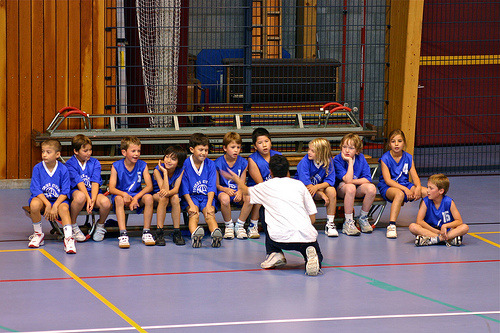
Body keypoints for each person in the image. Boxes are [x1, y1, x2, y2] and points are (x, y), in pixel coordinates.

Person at [222, 155, 322, 276]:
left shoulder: (266, 186)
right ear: (287, 171)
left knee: (263, 209)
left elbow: (246, 191)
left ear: (270, 171)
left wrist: (236, 179)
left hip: (280, 239)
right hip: (307, 237)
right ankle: (310, 256)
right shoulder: (300, 185)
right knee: (317, 254)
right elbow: (312, 217)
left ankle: (274, 252)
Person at [28, 139, 76, 254]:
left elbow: (65, 192)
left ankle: (69, 238)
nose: (44, 155)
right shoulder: (37, 168)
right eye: (43, 151)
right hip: (43, 200)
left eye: (48, 152)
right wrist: (48, 204)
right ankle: (38, 234)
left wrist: (55, 206)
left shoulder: (63, 169)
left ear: (57, 154)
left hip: (59, 200)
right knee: (34, 204)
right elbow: (36, 189)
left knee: (64, 209)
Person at [378, 129, 427, 239]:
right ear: (389, 144)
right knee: (399, 194)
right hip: (388, 187)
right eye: (393, 141)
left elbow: (414, 176)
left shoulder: (408, 157)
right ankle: (391, 225)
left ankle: (423, 221)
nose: (396, 144)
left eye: (399, 141)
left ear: (404, 143)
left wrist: (418, 187)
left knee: (426, 192)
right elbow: (388, 180)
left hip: (405, 184)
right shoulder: (385, 158)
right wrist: (405, 190)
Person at [108, 136, 154, 248]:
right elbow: (111, 188)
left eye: (138, 151)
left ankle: (146, 232)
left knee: (148, 198)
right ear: (124, 152)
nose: (136, 154)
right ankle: (123, 234)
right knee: (118, 199)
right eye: (133, 151)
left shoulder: (142, 165)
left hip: (136, 195)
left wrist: (136, 198)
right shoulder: (116, 166)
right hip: (121, 194)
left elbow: (149, 186)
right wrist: (124, 194)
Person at [66, 134, 112, 242]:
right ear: (76, 151)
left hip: (93, 193)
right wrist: (87, 198)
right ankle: (72, 225)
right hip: (77, 191)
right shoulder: (70, 164)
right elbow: (79, 182)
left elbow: (95, 182)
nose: (89, 153)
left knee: (106, 203)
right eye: (85, 150)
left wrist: (93, 199)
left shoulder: (95, 162)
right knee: (80, 197)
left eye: (90, 150)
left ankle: (100, 226)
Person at [180, 133, 222, 248]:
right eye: (201, 150)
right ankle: (195, 235)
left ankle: (215, 233)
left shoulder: (211, 164)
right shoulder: (185, 164)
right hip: (191, 197)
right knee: (194, 214)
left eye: (206, 150)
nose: (204, 153)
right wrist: (190, 204)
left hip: (206, 197)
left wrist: (209, 204)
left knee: (210, 214)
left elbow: (212, 186)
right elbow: (183, 187)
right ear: (192, 149)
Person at [334, 133, 377, 236]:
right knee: (350, 187)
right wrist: (349, 161)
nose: (347, 150)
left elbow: (367, 179)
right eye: (344, 147)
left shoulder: (361, 158)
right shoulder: (337, 159)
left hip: (355, 187)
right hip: (341, 190)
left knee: (371, 188)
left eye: (351, 148)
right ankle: (348, 222)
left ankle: (363, 218)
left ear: (357, 151)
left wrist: (351, 182)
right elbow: (346, 180)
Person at [409, 174, 468, 246]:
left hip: (446, 231)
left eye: (431, 188)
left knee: (465, 227)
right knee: (413, 227)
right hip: (431, 230)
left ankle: (432, 240)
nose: (427, 191)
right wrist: (437, 232)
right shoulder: (425, 201)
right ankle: (447, 239)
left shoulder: (449, 202)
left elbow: (459, 221)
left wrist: (445, 226)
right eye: (428, 187)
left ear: (441, 191)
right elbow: (419, 221)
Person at [295, 138, 338, 237]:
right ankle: (306, 225)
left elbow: (330, 181)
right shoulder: (304, 162)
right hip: (304, 191)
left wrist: (318, 187)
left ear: (321, 153)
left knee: (331, 191)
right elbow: (307, 186)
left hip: (317, 190)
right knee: (307, 191)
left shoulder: (329, 161)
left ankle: (330, 224)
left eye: (312, 151)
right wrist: (321, 193)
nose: (309, 152)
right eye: (309, 149)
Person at [215, 132, 252, 240]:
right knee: (225, 199)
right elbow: (217, 185)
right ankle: (229, 226)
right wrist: (225, 189)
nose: (236, 150)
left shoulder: (243, 162)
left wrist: (240, 191)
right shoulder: (217, 163)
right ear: (225, 148)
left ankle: (240, 225)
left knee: (250, 198)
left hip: (237, 191)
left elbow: (242, 182)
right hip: (224, 191)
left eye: (238, 147)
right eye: (232, 147)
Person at [246, 127, 282, 239]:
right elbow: (260, 183)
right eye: (260, 143)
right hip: (260, 188)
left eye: (266, 141)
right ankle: (253, 225)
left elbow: (285, 178)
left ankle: (281, 226)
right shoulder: (252, 159)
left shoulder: (278, 156)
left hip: (275, 188)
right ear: (255, 146)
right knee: (260, 195)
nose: (264, 145)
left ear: (271, 142)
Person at [151, 145, 186, 246]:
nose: (168, 160)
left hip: (170, 194)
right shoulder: (158, 170)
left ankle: (176, 231)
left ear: (179, 162)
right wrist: (165, 173)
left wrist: (169, 193)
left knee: (175, 198)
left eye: (173, 159)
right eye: (167, 157)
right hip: (156, 195)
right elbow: (163, 190)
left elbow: (175, 189)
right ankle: (159, 231)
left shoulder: (180, 170)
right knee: (163, 199)